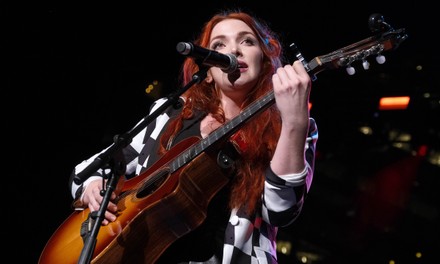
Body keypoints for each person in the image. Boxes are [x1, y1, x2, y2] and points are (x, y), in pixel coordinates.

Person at [69, 9, 318, 264]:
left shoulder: (287, 126)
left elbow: (281, 209)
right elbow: (91, 168)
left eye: (247, 41)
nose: (233, 50)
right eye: (219, 44)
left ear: (264, 62)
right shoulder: (173, 113)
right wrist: (93, 187)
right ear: (208, 71)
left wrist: (295, 123)